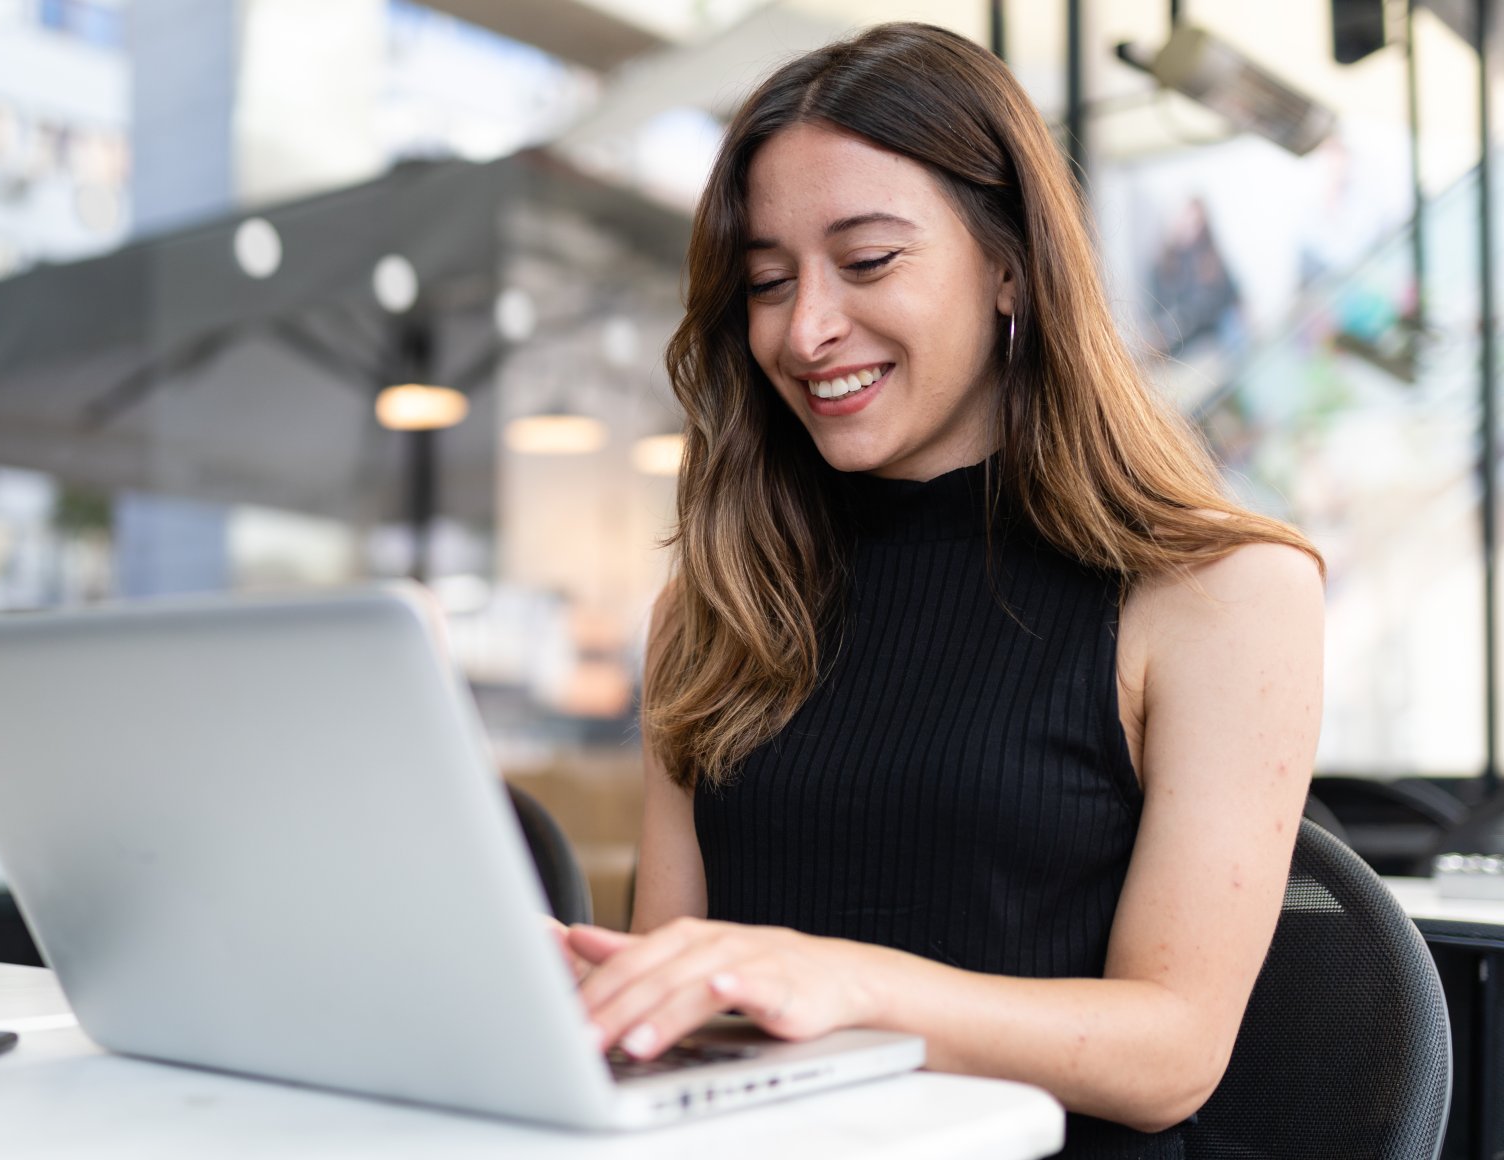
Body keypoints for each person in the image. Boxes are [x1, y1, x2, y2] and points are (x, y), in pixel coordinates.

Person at [556, 23, 1324, 1159]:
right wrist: (590, 991)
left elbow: (1171, 1056)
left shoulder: (1223, 592)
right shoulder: (714, 604)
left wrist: (847, 983)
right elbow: (683, 1005)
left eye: (867, 261)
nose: (806, 329)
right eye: (767, 281)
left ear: (1008, 262)